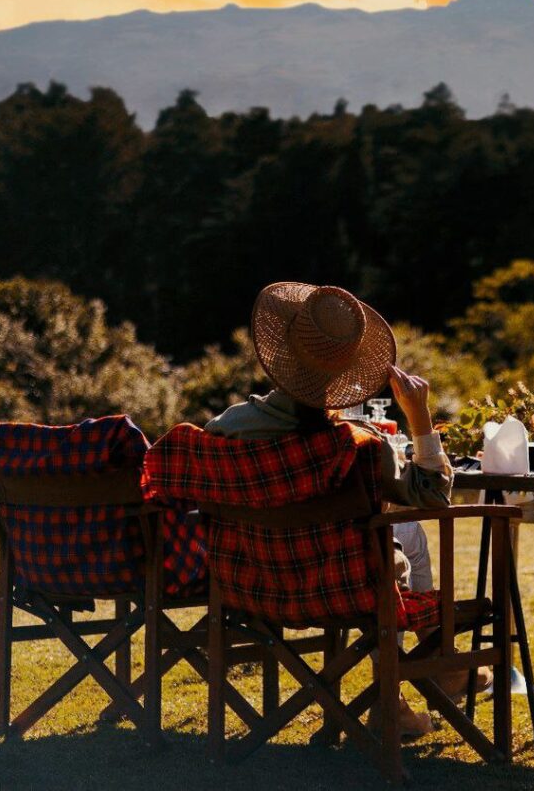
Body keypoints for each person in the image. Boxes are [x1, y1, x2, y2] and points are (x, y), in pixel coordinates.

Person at [204, 281, 491, 738]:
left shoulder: (223, 431)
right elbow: (435, 496)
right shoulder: (356, 446)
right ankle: (409, 687)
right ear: (345, 373)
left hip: (250, 585)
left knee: (406, 540)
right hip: (343, 589)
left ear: (279, 357)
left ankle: (417, 686)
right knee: (394, 549)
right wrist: (419, 417)